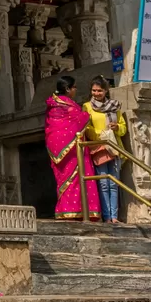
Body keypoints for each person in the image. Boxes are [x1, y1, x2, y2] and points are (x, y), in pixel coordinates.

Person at [45, 73, 101, 220]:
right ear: (67, 89)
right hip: (72, 150)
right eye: (74, 87)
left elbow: (52, 127)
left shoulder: (53, 105)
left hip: (61, 147)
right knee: (75, 178)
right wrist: (86, 115)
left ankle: (68, 210)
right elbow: (77, 120)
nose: (76, 90)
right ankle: (78, 210)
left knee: (69, 180)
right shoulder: (67, 106)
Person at [83, 77, 127, 225]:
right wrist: (99, 134)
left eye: (99, 90)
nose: (96, 93)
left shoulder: (114, 106)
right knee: (103, 183)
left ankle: (114, 216)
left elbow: (123, 127)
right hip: (98, 146)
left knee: (114, 183)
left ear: (106, 91)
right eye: (94, 90)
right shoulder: (87, 107)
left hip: (114, 147)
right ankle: (106, 216)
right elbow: (86, 127)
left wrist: (117, 128)